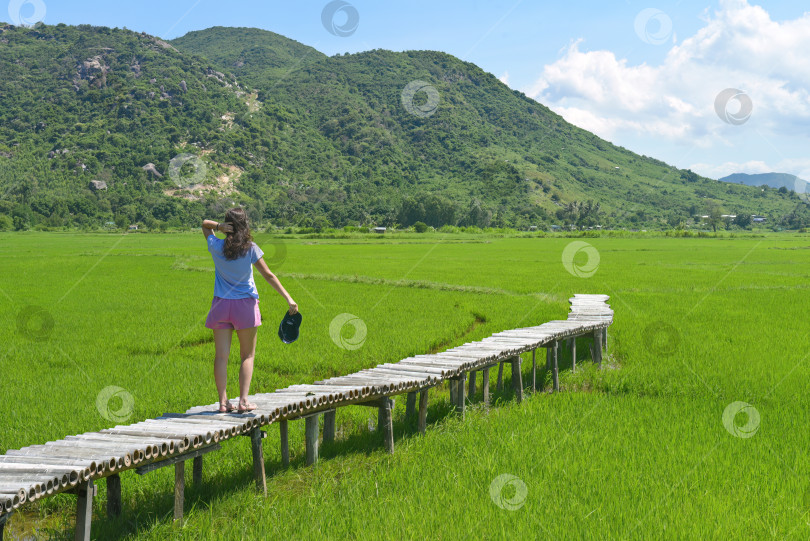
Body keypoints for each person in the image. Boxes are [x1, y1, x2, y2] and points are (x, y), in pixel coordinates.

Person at [202, 208, 298, 413]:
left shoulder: (216, 245)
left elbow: (204, 224)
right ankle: (243, 402)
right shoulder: (251, 248)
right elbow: (269, 275)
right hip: (244, 305)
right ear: (245, 226)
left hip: (220, 306)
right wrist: (288, 298)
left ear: (228, 226)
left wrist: (218, 227)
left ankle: (222, 402)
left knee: (221, 356)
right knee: (247, 355)